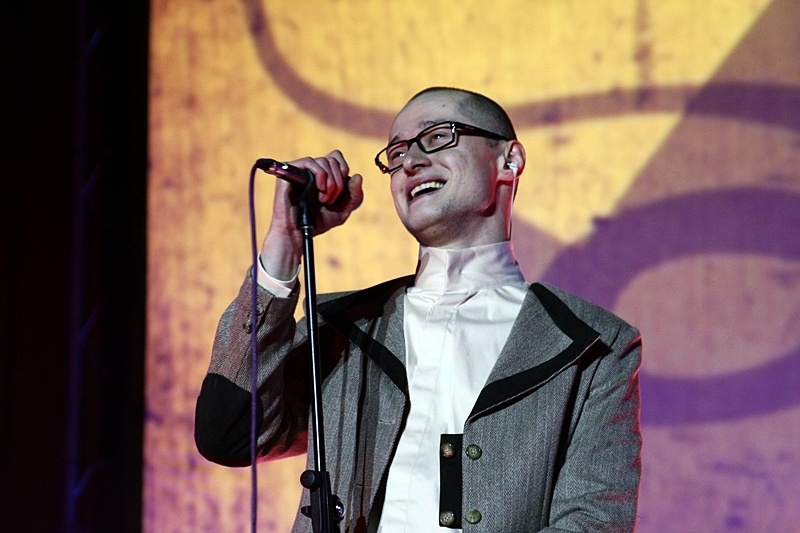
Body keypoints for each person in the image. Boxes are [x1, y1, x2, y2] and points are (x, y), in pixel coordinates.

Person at [195, 87, 642, 532]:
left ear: (509, 160)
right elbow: (229, 435)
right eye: (397, 152)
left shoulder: (592, 345)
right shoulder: (342, 327)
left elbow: (594, 522)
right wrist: (285, 245)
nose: (410, 161)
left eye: (438, 136)